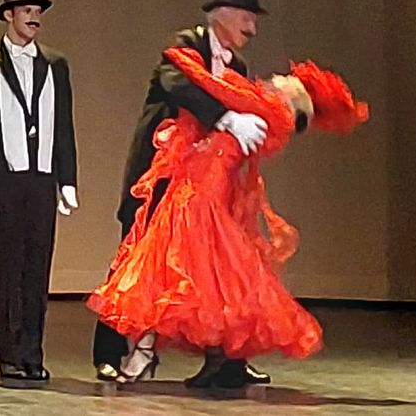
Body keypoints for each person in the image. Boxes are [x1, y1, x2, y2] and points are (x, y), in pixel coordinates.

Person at [87, 44, 368, 386]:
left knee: (175, 270)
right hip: (193, 186)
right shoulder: (265, 106)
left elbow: (218, 90)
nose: (278, 76)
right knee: (175, 271)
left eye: (288, 80)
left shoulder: (272, 112)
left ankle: (153, 354)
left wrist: (182, 60)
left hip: (202, 195)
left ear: (297, 100)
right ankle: (184, 357)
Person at [90, 0, 298, 387]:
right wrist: (225, 118)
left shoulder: (236, 67)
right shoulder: (184, 47)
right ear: (222, 14)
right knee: (136, 259)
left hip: (204, 185)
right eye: (246, 17)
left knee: (214, 266)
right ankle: (110, 354)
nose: (252, 28)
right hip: (158, 176)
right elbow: (178, 86)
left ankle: (228, 358)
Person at [0, 0, 79, 383]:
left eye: (37, 11)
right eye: (26, 10)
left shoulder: (55, 64)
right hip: (3, 181)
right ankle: (9, 354)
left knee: (37, 271)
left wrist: (67, 180)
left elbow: (63, 125)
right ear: (9, 15)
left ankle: (32, 352)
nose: (34, 17)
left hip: (41, 179)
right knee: (8, 271)